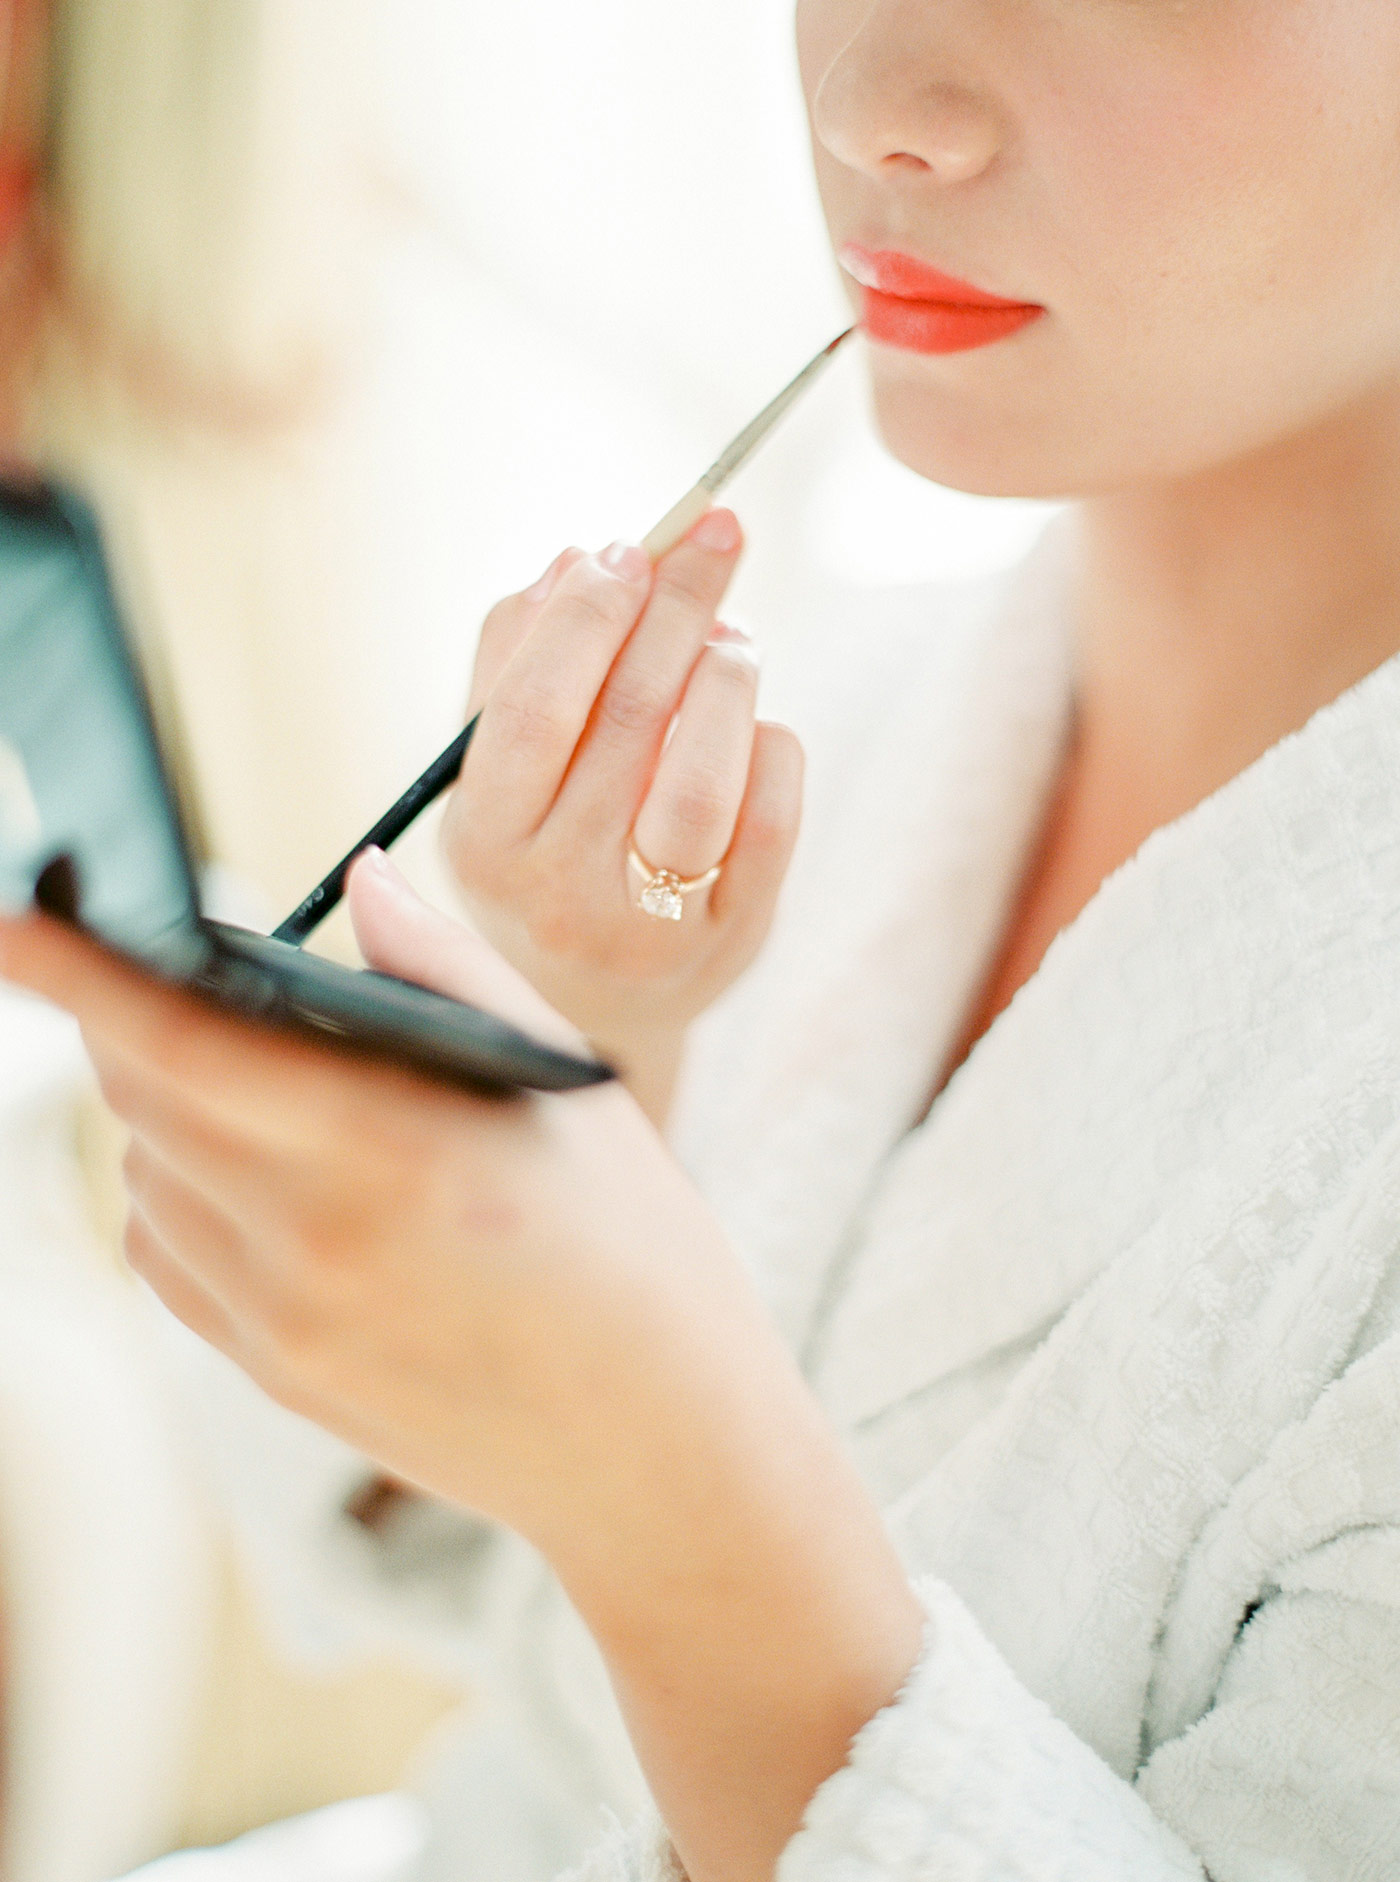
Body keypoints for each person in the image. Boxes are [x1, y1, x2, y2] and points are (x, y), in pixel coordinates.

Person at [8, 2, 1400, 1879]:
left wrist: (665, 1480)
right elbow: (510, 1659)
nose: (877, 103)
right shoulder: (849, 700)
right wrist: (590, 1033)